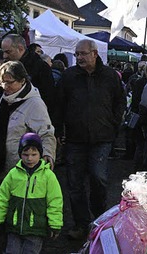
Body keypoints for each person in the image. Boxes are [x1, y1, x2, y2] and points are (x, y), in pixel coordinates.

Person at [55, 39, 125, 239]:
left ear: (94, 54)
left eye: (83, 54)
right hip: (75, 139)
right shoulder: (69, 76)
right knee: (74, 183)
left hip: (102, 137)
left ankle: (99, 220)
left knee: (98, 178)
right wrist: (59, 130)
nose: (79, 58)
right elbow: (59, 104)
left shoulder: (110, 76)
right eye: (77, 54)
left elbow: (120, 101)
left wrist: (114, 123)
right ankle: (80, 223)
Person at [0, 61, 56, 204]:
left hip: (19, 167)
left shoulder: (35, 104)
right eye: (1, 82)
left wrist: (48, 155)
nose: (5, 87)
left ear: (22, 81)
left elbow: (46, 133)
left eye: (9, 83)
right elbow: (2, 123)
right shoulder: (6, 99)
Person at [0, 133, 63, 254]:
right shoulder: (13, 174)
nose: (29, 158)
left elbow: (55, 201)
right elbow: (2, 198)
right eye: (25, 154)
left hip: (36, 228)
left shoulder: (48, 176)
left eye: (34, 155)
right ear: (20, 154)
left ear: (40, 154)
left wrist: (55, 224)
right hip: (14, 226)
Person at [1, 34, 56, 123]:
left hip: (32, 119)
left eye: (8, 52)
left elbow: (49, 97)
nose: (4, 56)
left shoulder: (40, 67)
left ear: (20, 48)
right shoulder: (6, 65)